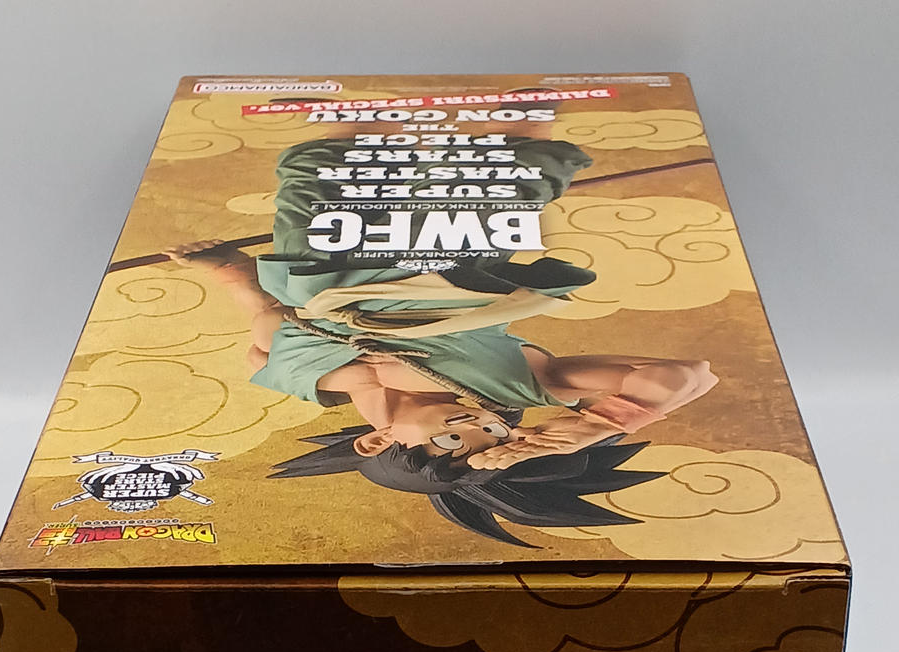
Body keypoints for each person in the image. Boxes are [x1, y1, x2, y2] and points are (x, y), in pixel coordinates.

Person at [166, 136, 718, 544]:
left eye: (453, 442)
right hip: (450, 245)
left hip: (323, 246)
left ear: (377, 443)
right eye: (494, 436)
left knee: (321, 158)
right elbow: (685, 374)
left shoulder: (309, 379)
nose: (476, 425)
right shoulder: (515, 385)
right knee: (514, 154)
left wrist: (227, 269)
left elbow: (268, 315)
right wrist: (606, 421)